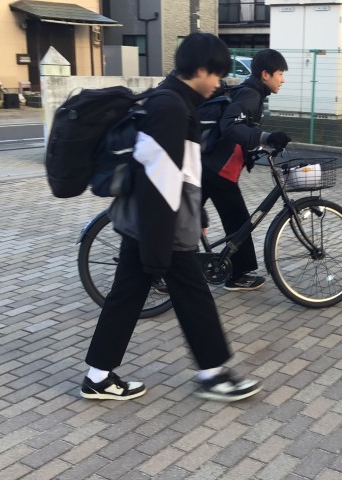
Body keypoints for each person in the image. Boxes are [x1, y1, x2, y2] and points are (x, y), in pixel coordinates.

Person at [80, 33, 262, 402]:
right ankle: (214, 374)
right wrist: (158, 248)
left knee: (126, 297)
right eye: (217, 74)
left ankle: (98, 376)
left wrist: (198, 210)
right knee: (193, 297)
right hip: (160, 224)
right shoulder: (171, 108)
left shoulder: (173, 100)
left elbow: (179, 172)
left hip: (151, 222)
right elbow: (158, 181)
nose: (219, 83)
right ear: (200, 70)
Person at [201, 48, 292, 291]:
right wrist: (266, 137)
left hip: (209, 166)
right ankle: (237, 275)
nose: (283, 79)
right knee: (239, 222)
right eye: (280, 73)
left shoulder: (250, 92)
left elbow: (241, 131)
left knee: (185, 217)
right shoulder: (251, 94)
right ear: (265, 74)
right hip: (218, 171)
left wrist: (257, 147)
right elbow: (230, 126)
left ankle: (160, 270)